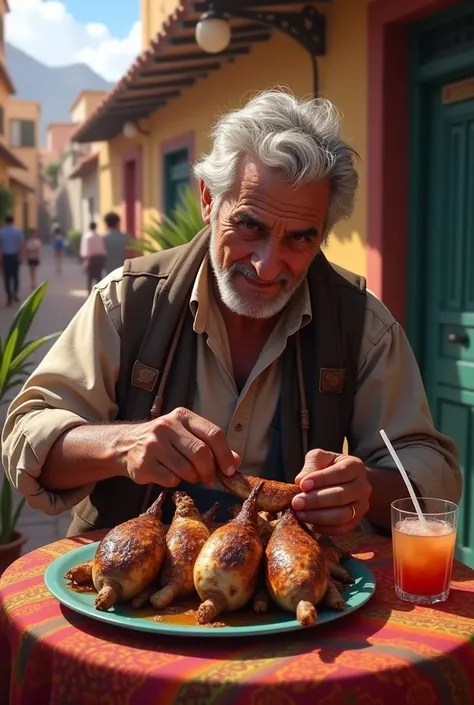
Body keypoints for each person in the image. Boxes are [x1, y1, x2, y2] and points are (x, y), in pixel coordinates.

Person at [1, 89, 462, 539]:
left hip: (294, 593)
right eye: (248, 225)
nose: (266, 264)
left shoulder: (360, 323)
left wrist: (363, 489)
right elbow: (27, 435)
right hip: (131, 591)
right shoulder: (130, 301)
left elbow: (427, 464)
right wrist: (122, 444)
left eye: (300, 238)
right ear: (207, 199)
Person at [0, 214, 24, 306]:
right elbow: (21, 245)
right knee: (15, 276)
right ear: (13, 221)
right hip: (15, 256)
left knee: (6, 277)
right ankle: (15, 292)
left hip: (5, 257)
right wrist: (21, 257)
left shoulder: (1, 232)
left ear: (6, 222)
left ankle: (9, 296)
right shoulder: (18, 232)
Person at [80, 221, 107, 294]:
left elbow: (86, 250)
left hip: (91, 259)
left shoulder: (87, 237)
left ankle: (89, 294)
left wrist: (86, 261)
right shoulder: (100, 237)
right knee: (99, 277)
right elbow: (103, 249)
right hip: (99, 259)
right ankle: (100, 293)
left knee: (90, 278)